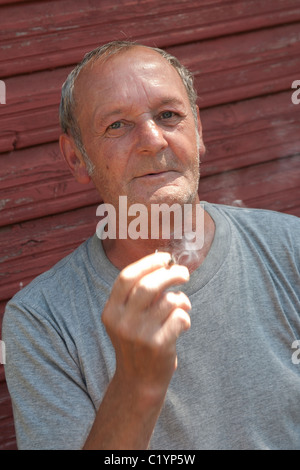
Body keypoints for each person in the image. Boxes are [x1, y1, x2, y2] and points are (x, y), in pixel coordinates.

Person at [3, 40, 300, 450]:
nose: (153, 140)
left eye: (168, 115)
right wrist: (136, 384)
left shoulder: (291, 250)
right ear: (76, 158)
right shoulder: (43, 323)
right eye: (117, 125)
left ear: (198, 130)